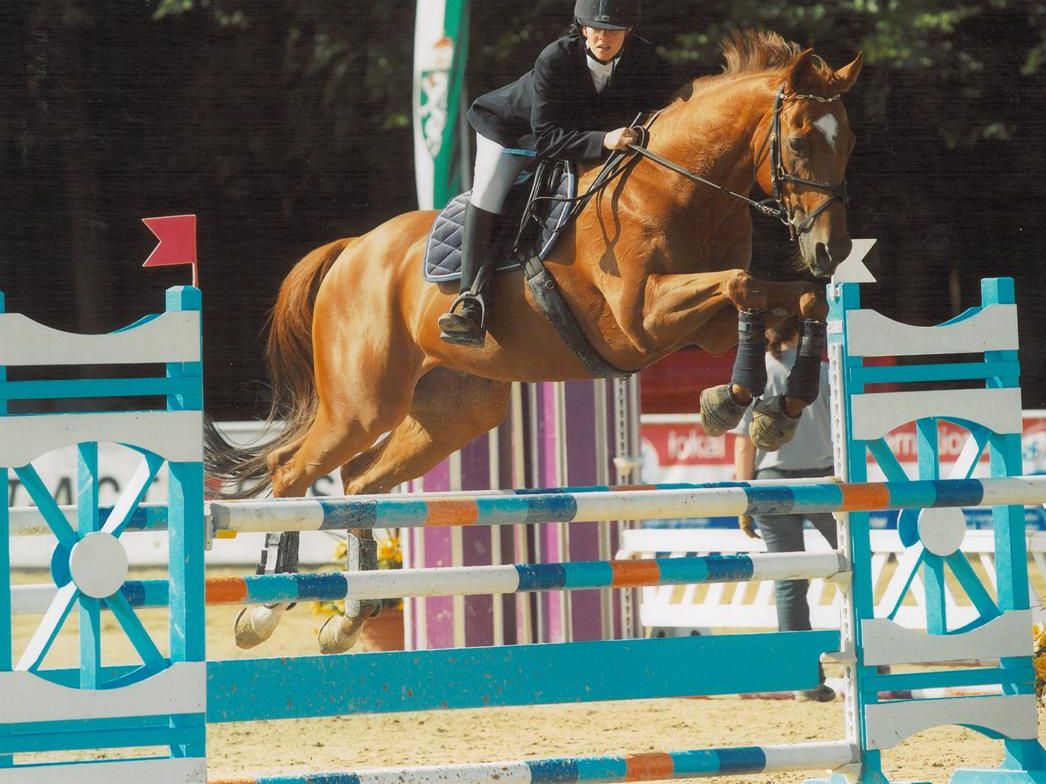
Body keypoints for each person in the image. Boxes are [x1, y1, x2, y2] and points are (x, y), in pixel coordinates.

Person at [438, 0, 674, 346]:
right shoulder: (555, 58)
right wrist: (604, 138)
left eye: (612, 30)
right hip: (511, 132)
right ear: (582, 28)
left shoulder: (644, 60)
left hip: (577, 137)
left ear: (630, 31)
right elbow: (546, 137)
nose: (603, 36)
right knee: (489, 193)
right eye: (595, 28)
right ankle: (469, 300)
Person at [732, 316, 838, 702]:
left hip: (771, 481)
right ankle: (876, 667)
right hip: (823, 482)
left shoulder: (753, 376)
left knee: (789, 581)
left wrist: (743, 498)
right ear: (801, 333)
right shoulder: (825, 371)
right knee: (854, 572)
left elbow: (744, 444)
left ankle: (803, 678)